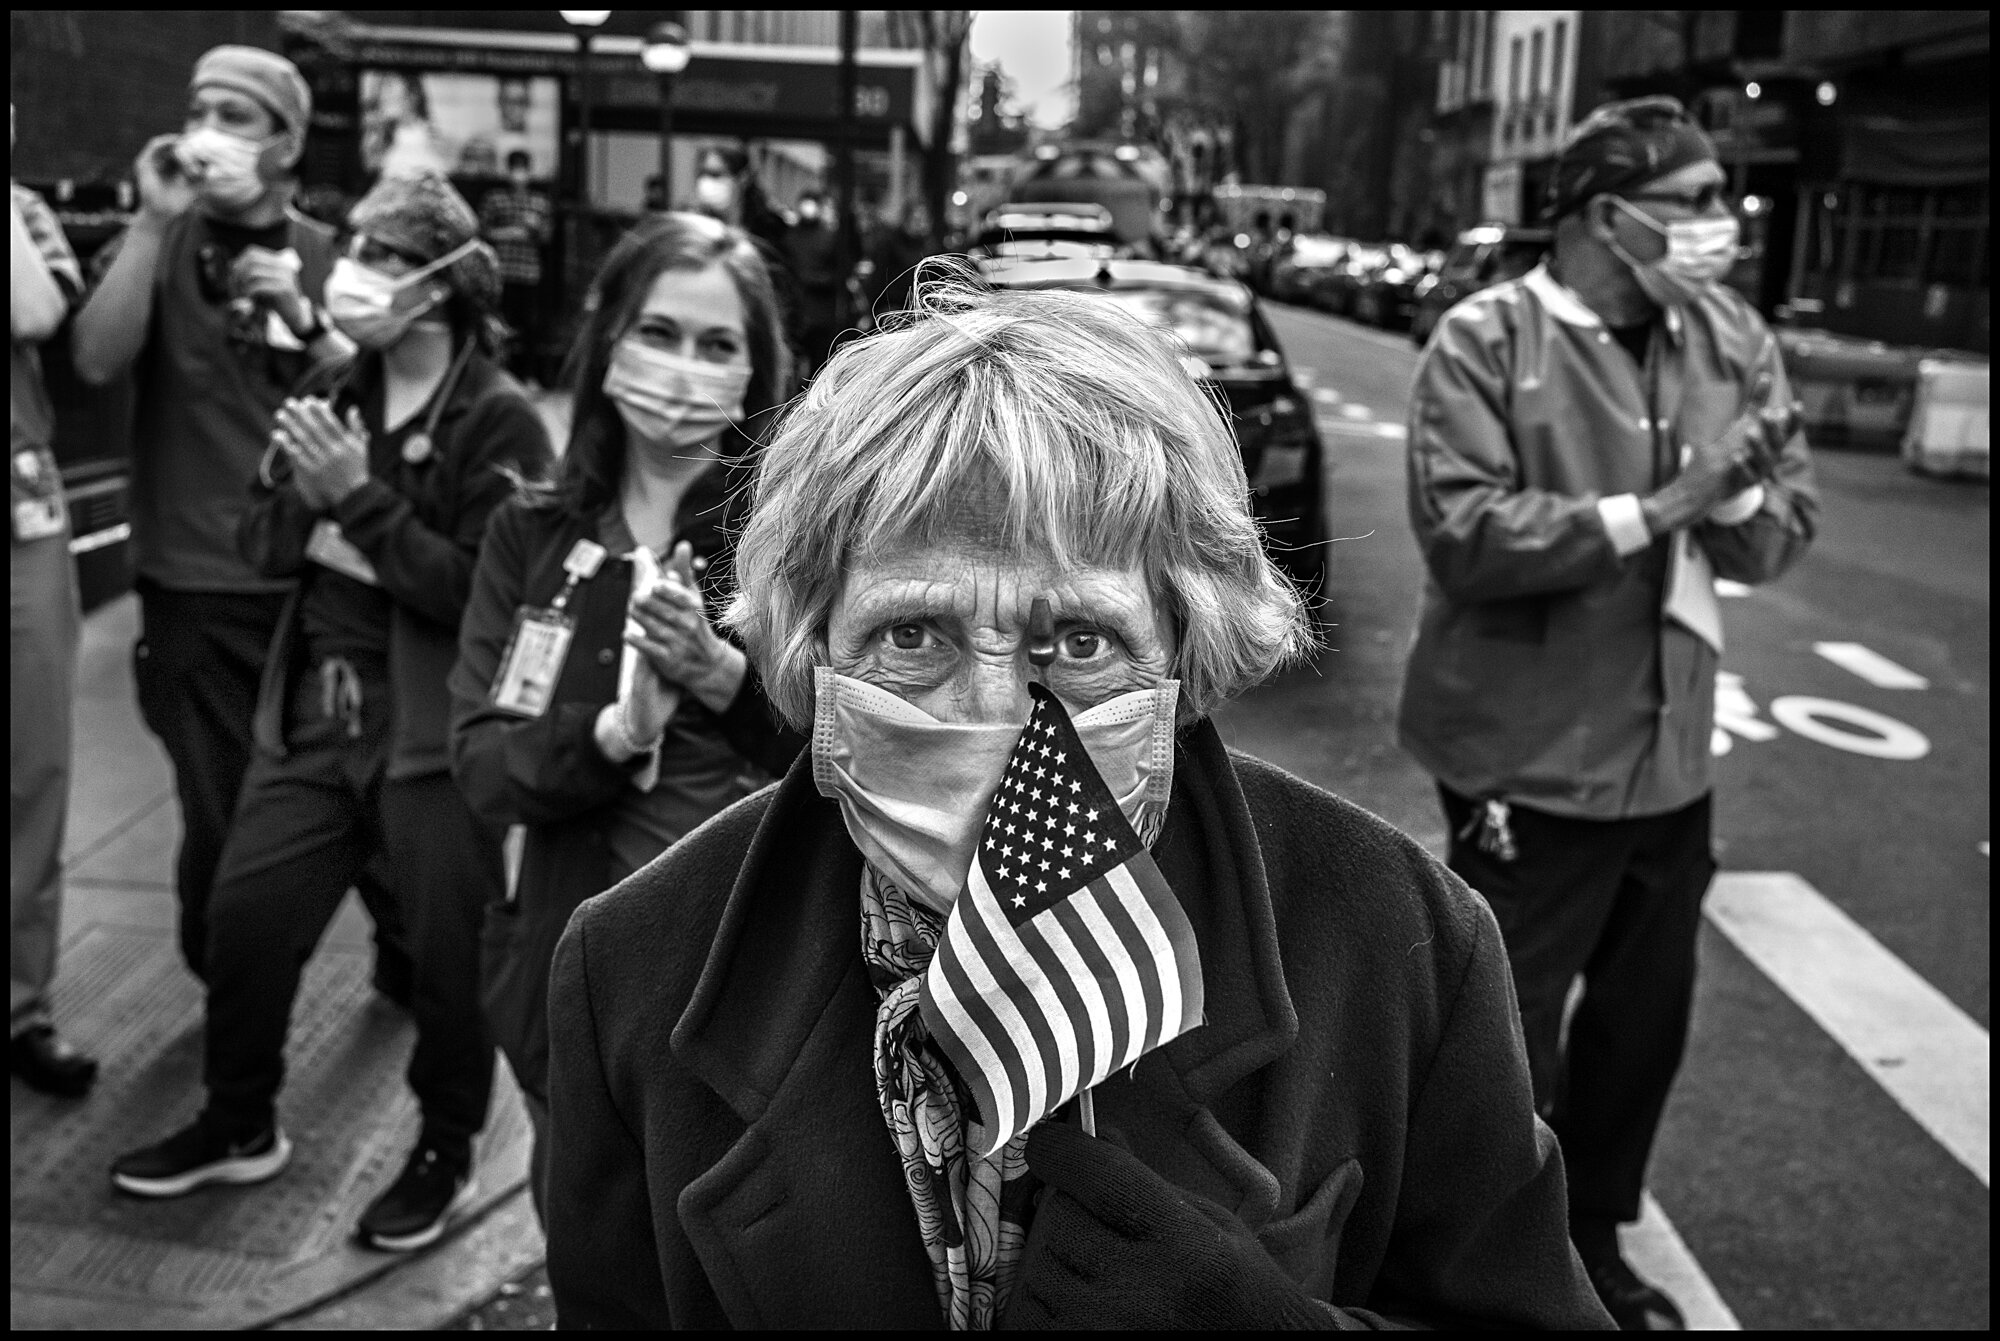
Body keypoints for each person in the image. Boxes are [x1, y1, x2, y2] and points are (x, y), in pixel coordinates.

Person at [541, 282, 1614, 1329]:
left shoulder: (1401, 944)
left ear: (1182, 656)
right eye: (914, 635)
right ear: (811, 650)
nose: (1000, 722)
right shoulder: (629, 973)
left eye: (1079, 642)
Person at [1396, 96, 1817, 1329]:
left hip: (1668, 756)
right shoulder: (1483, 339)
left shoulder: (1727, 335)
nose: (1717, 222)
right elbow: (1465, 535)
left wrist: (1735, 507)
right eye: (1688, 200)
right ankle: (1487, 1259)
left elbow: (1781, 515)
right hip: (1522, 760)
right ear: (1600, 216)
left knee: (1641, 1027)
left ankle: (1591, 1238)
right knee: (1507, 1032)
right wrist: (1671, 498)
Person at [109, 172, 554, 1255]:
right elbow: (259, 543)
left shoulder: (496, 418)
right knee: (246, 920)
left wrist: (353, 501)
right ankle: (236, 1117)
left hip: (429, 741)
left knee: (448, 967)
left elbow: (478, 591)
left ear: (447, 282)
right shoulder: (332, 381)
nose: (359, 270)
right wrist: (327, 510)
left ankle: (444, 1148)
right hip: (313, 718)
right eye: (358, 245)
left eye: (391, 256)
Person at [450, 211, 804, 1217]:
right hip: (555, 978)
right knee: (585, 1252)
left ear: (755, 369)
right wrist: (618, 735)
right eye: (657, 332)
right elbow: (481, 764)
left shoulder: (791, 546)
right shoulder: (530, 529)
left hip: (729, 998)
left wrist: (718, 678)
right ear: (607, 335)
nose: (682, 367)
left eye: (716, 344)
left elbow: (859, 764)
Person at [67, 46, 415, 995]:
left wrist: (307, 318)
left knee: (362, 793)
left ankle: (404, 956)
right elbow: (96, 361)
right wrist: (149, 220)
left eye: (237, 115)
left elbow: (392, 404)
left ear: (287, 142)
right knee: (218, 813)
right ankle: (232, 998)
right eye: (199, 109)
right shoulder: (159, 244)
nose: (208, 130)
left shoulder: (325, 258)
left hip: (321, 585)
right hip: (193, 583)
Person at [11, 115, 98, 1098]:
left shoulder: (25, 214)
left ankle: (20, 1007)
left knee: (32, 769)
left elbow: (35, 316)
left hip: (21, 516)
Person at [478, 149, 553, 382]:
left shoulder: (539, 202)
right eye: (515, 168)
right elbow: (481, 232)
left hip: (529, 273)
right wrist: (512, 233)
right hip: (502, 272)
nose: (519, 174)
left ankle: (528, 376)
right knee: (501, 324)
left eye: (523, 169)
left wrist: (534, 230)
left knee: (531, 327)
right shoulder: (495, 199)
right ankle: (499, 374)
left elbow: (546, 237)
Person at [778, 190, 842, 379]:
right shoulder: (789, 237)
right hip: (794, 312)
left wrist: (815, 279)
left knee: (818, 364)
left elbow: (838, 273)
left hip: (820, 314)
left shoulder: (829, 237)